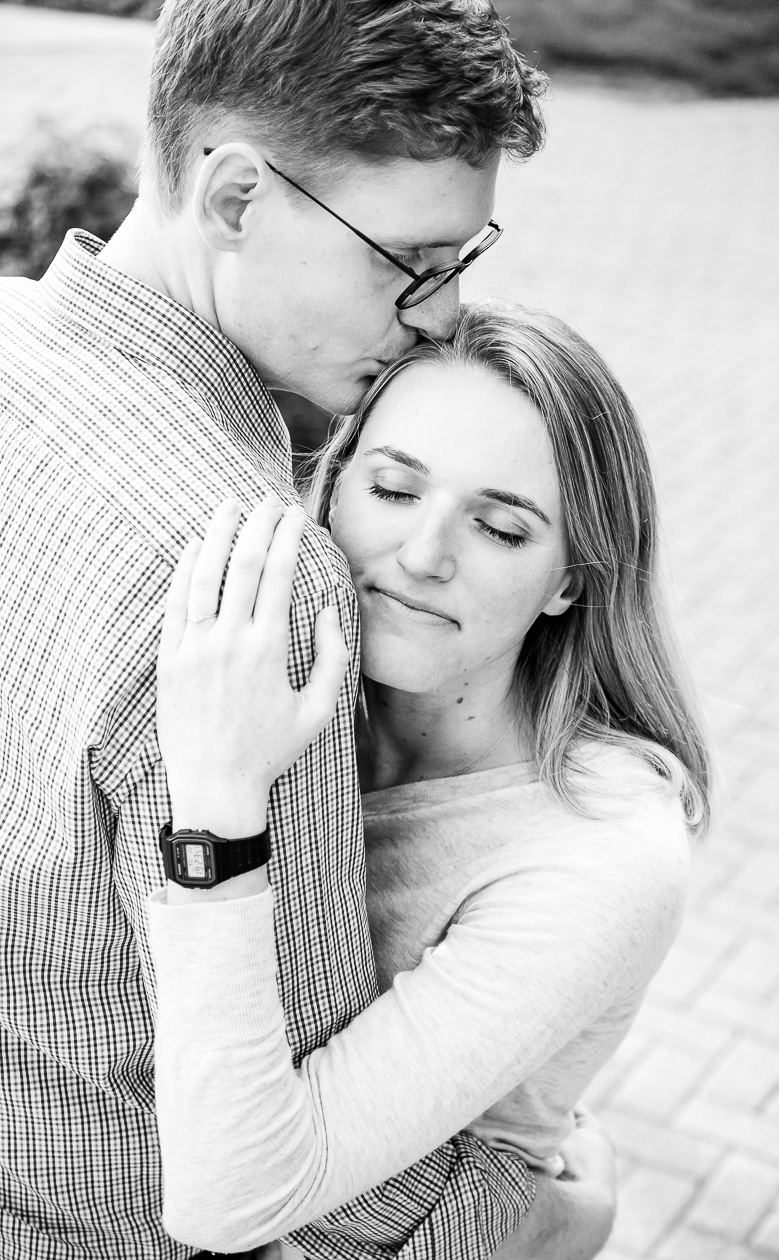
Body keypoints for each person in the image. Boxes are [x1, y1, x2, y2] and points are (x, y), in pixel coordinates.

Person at [0, 1, 615, 1257]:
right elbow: (302, 1161)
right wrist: (543, 1209)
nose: (441, 313)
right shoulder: (251, 576)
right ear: (236, 196)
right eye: (411, 260)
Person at [148, 302, 712, 1255]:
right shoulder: (274, 688)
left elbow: (232, 1197)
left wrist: (219, 809)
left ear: (570, 580)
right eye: (394, 489)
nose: (422, 556)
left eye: (500, 529)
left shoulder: (605, 851)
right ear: (333, 485)